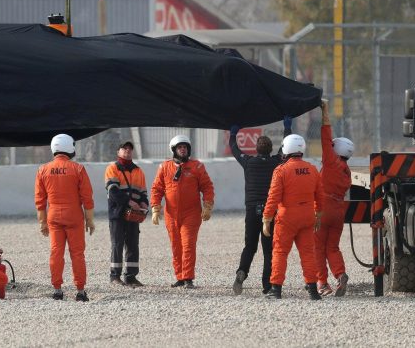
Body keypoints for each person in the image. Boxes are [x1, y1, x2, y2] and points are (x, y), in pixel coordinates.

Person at [228, 118, 292, 296]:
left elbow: (234, 149)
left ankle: (241, 272)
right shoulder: (276, 162)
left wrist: (233, 133)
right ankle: (267, 285)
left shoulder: (248, 162)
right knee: (268, 250)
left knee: (250, 246)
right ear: (271, 149)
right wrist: (287, 127)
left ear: (256, 149)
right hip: (270, 211)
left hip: (251, 209)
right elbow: (286, 147)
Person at [262, 134, 324, 300]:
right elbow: (320, 195)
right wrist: (318, 214)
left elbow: (273, 197)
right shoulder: (312, 169)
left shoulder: (281, 170)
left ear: (285, 149)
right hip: (307, 216)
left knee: (280, 252)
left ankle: (276, 290)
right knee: (308, 254)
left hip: (287, 218)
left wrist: (267, 218)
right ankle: (313, 291)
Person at [34, 134, 95, 301]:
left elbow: (39, 200)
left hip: (53, 216)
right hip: (74, 216)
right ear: (70, 147)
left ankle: (57, 290)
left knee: (55, 253)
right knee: (77, 254)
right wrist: (89, 220)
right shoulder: (78, 169)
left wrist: (42, 222)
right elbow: (87, 198)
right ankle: (80, 291)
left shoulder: (43, 170)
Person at [150, 134, 215, 289]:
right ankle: (179, 276)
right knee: (176, 246)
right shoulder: (165, 167)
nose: (183, 150)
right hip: (170, 214)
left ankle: (188, 277)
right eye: (180, 147)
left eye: (185, 147)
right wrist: (155, 208)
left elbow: (207, 187)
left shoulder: (197, 166)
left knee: (188, 245)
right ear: (174, 150)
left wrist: (207, 206)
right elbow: (157, 189)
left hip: (191, 214)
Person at [314, 100, 352, 296]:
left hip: (324, 207)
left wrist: (325, 111)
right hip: (338, 210)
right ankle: (340, 274)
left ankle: (322, 283)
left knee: (318, 247)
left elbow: (325, 136)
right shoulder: (347, 171)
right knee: (333, 247)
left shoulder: (330, 162)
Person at [104, 141, 148, 287]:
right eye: (124, 149)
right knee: (117, 244)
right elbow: (113, 191)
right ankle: (114, 276)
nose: (128, 151)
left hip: (133, 213)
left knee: (133, 244)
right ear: (118, 152)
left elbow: (143, 193)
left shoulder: (138, 171)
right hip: (117, 213)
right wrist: (130, 202)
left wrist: (143, 204)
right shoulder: (112, 168)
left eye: (130, 149)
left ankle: (130, 277)